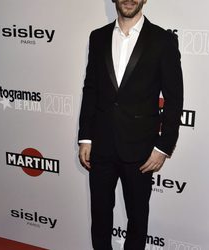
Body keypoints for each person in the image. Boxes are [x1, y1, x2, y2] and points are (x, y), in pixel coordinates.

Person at [78, 0, 183, 249]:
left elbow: (174, 97)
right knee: (100, 218)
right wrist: (85, 137)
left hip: (141, 151)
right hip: (101, 147)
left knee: (137, 219)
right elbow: (91, 89)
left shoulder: (162, 40)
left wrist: (163, 146)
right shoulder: (98, 37)